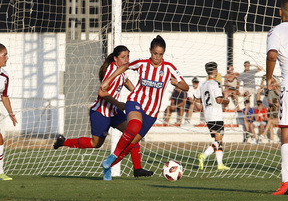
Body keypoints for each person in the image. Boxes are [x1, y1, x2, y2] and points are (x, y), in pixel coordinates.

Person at [53, 45, 153, 178]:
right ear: (115, 58)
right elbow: (101, 92)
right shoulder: (111, 70)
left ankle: (138, 169)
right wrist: (119, 103)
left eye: (128, 56)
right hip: (101, 112)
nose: (126, 59)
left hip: (114, 112)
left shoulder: (121, 71)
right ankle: (63, 142)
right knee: (96, 143)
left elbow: (127, 83)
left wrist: (139, 97)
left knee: (134, 134)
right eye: (123, 57)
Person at [100, 35, 189, 180]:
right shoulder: (141, 63)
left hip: (151, 112)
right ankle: (113, 157)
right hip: (135, 102)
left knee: (131, 144)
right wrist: (109, 79)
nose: (157, 57)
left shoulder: (169, 68)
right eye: (155, 53)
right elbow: (124, 66)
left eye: (160, 54)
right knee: (134, 126)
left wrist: (176, 83)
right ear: (150, 51)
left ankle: (108, 165)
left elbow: (186, 87)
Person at [266, 0, 288, 195]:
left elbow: (272, 54)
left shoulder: (276, 31)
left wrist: (269, 78)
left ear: (280, 13)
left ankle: (287, 182)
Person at [196, 62, 230, 170]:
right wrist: (227, 100)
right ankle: (204, 155)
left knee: (218, 139)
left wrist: (204, 104)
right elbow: (219, 100)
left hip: (208, 114)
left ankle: (220, 164)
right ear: (215, 71)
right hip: (216, 114)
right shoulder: (215, 84)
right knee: (219, 140)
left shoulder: (203, 85)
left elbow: (196, 98)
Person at [0, 44, 17, 181]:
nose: (7, 57)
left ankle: (1, 172)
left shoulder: (5, 75)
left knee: (0, 140)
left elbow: (4, 96)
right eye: (4, 55)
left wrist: (11, 114)